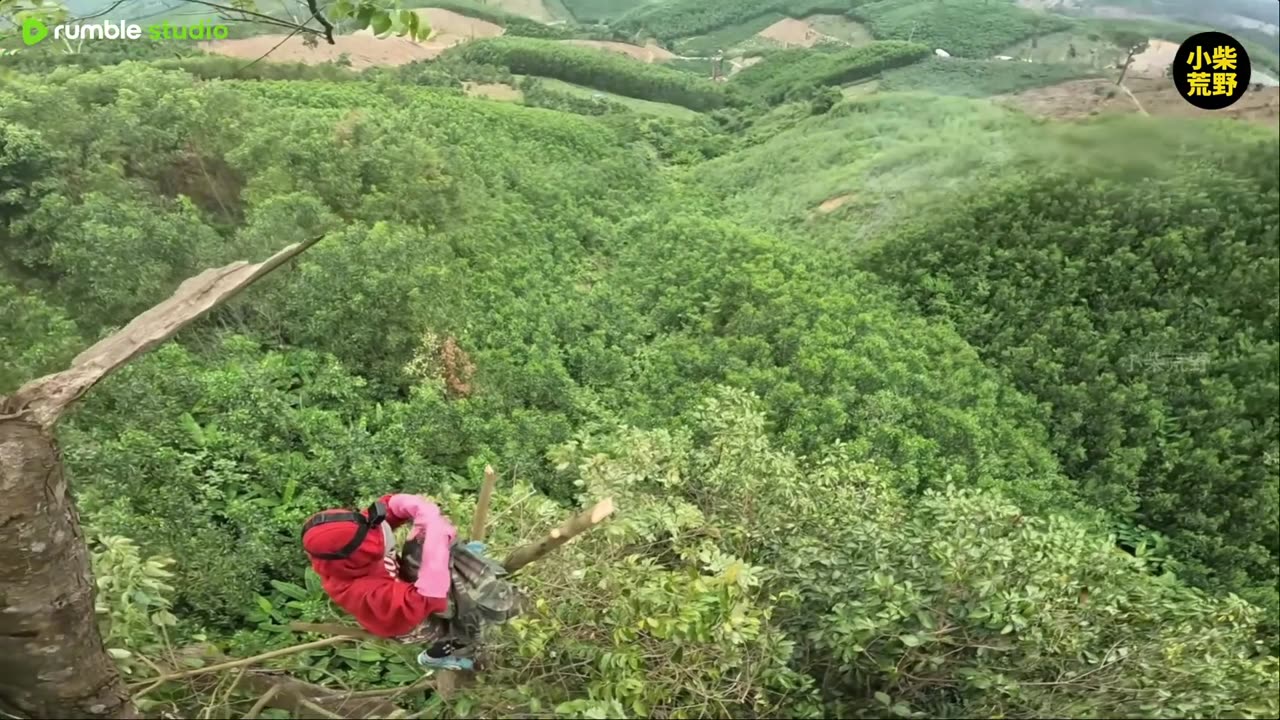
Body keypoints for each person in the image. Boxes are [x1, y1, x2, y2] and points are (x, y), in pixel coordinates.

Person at [301, 493, 480, 670]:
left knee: (432, 555)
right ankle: (433, 658)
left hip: (400, 583)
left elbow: (390, 509)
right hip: (404, 621)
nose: (379, 530)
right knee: (453, 632)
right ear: (357, 558)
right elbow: (427, 598)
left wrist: (420, 509)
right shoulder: (363, 592)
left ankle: (458, 563)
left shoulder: (358, 532)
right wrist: (438, 546)